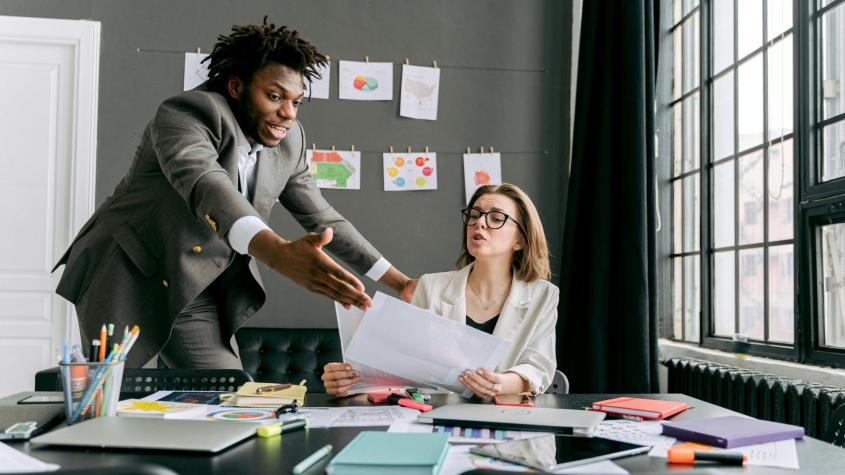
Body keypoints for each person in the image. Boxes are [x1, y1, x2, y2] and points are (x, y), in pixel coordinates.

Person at [53, 19, 415, 369]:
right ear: (236, 86)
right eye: (274, 96)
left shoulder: (290, 142)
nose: (287, 114)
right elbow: (207, 184)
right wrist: (275, 251)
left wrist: (401, 283)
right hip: (126, 273)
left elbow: (322, 216)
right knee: (109, 400)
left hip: (193, 284)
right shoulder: (186, 115)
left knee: (227, 395)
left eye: (296, 101)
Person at [322, 183, 558, 398]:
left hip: (508, 419)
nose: (479, 222)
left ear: (521, 240)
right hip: (437, 417)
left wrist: (501, 383)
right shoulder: (430, 286)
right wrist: (350, 382)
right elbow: (405, 371)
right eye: (474, 215)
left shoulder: (543, 295)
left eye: (496, 218)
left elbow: (538, 368)